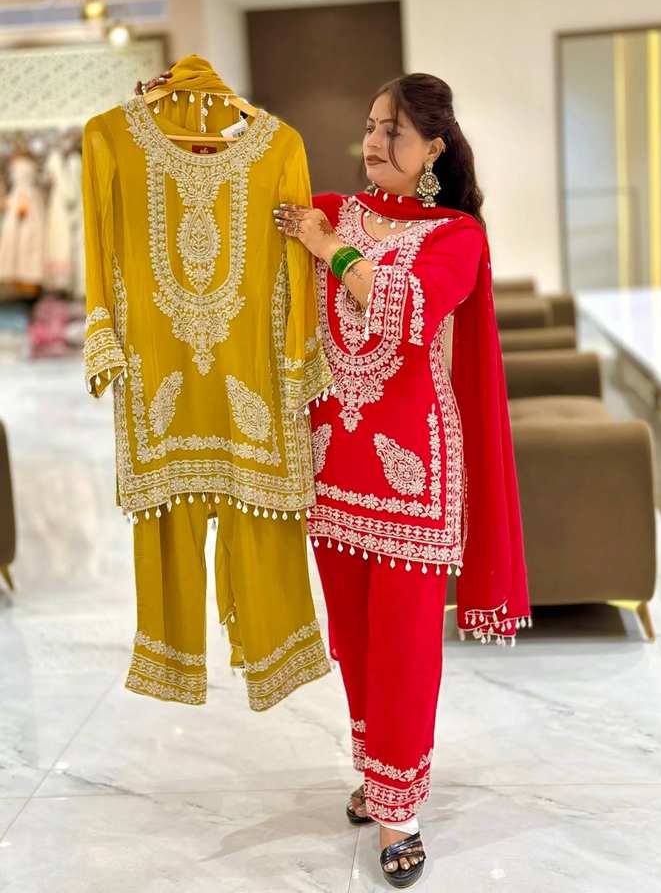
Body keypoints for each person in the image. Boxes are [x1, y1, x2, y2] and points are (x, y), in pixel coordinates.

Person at [135, 68, 531, 889]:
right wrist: (174, 122)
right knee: (354, 638)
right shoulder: (333, 206)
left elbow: (410, 310)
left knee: (406, 647)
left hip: (413, 476)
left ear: (434, 149)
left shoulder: (456, 235)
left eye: (394, 130)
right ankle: (377, 772)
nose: (374, 141)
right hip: (332, 466)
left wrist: (329, 248)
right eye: (371, 124)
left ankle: (400, 811)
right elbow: (231, 192)